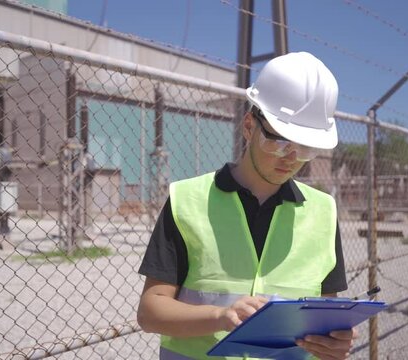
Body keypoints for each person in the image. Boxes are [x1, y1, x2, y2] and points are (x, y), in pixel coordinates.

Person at [137, 52, 357, 360]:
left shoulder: (323, 211)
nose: (290, 158)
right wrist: (220, 317)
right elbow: (150, 311)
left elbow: (324, 312)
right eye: (279, 141)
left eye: (304, 147)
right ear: (249, 126)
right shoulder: (187, 200)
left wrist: (333, 344)